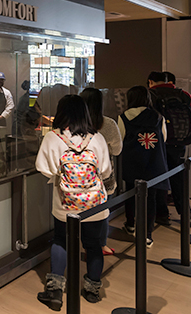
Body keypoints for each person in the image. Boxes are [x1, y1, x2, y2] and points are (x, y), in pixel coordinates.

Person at [36, 95, 112, 309]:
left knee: (61, 240)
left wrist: (60, 176)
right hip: (95, 205)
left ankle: (55, 290)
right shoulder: (97, 138)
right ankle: (92, 290)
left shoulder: (52, 138)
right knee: (93, 244)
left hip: (64, 204)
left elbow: (44, 169)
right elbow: (105, 171)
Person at [118, 85, 170, 247]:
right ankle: (147, 235)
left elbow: (120, 140)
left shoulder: (124, 117)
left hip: (132, 163)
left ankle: (131, 224)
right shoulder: (158, 117)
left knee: (131, 194)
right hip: (153, 164)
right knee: (151, 199)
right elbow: (165, 138)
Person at [149, 71, 191, 226]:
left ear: (151, 82)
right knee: (178, 178)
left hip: (158, 143)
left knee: (159, 178)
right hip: (179, 143)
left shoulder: (151, 95)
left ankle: (162, 215)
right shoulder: (184, 95)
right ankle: (186, 214)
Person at [80, 88, 122, 256]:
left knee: (78, 212)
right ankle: (100, 245)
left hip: (77, 177)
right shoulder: (109, 124)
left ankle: (79, 242)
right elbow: (118, 150)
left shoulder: (73, 124)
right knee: (102, 213)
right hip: (103, 177)